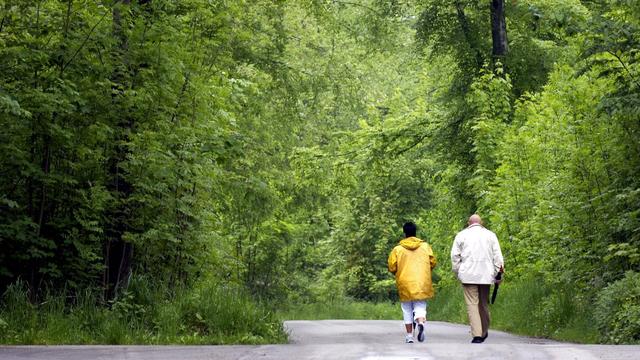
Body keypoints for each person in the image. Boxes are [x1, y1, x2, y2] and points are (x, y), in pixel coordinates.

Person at [451, 214, 504, 343]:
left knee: (472, 304)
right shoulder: (491, 235)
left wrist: (458, 271)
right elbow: (497, 256)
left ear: (468, 223)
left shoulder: (461, 235)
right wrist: (499, 273)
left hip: (468, 275)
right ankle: (484, 330)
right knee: (483, 303)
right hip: (486, 275)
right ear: (482, 223)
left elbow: (455, 256)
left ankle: (477, 335)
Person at [388, 222, 437, 343]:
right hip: (421, 281)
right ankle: (420, 322)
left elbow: (392, 267)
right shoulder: (425, 247)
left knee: (407, 309)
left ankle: (410, 336)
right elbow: (433, 262)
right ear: (415, 232)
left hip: (405, 282)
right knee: (420, 306)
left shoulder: (397, 249)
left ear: (404, 233)